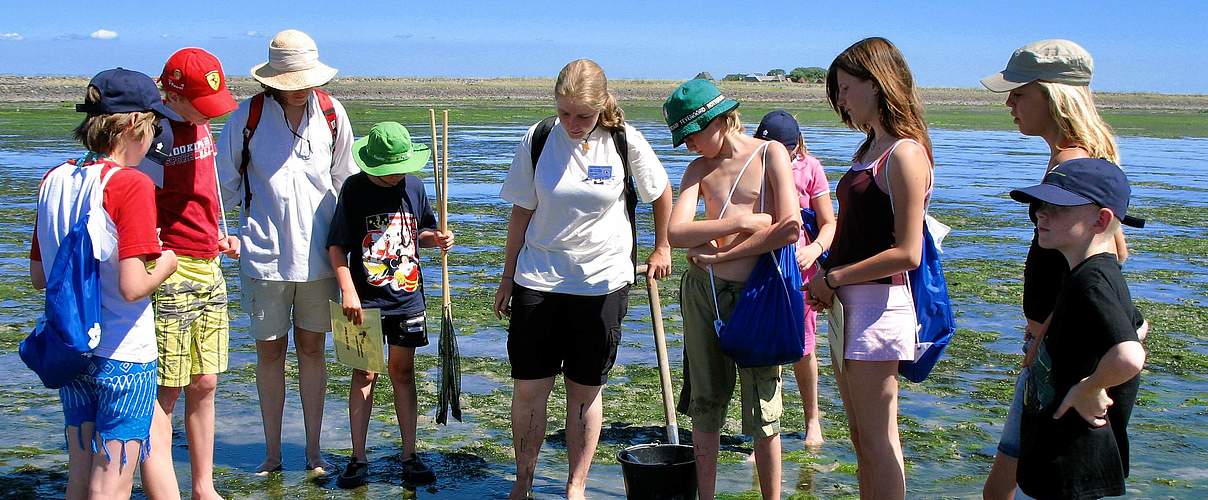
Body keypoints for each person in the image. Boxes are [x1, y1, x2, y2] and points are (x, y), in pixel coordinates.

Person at [494, 59, 672, 500]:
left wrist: (662, 246)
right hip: (538, 279)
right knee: (529, 388)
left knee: (584, 391)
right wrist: (507, 277)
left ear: (602, 107)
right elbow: (521, 211)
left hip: (602, 283)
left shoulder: (624, 141)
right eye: (565, 113)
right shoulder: (538, 140)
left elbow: (660, 192)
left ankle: (577, 485)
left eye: (583, 116)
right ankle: (524, 481)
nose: (573, 124)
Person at [979, 39, 1148, 499]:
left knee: (1019, 475)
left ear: (1055, 97)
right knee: (1014, 469)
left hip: (1058, 356)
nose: (1010, 103)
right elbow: (1118, 251)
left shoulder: (1072, 163)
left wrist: (1043, 336)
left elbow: (1106, 259)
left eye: (1020, 93)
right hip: (1059, 348)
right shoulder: (1089, 156)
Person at [29, 68, 180, 499]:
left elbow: (39, 277)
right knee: (112, 482)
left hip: (73, 350)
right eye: (153, 128)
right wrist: (168, 261)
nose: (154, 140)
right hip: (125, 355)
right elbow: (134, 286)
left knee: (79, 476)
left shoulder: (53, 178)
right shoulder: (131, 184)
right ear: (134, 124)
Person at [216, 29, 357, 475]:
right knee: (270, 353)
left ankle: (314, 453)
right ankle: (272, 454)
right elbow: (223, 187)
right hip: (262, 256)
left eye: (306, 80)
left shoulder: (333, 114)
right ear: (271, 79)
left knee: (313, 351)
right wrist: (227, 234)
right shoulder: (247, 117)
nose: (299, 89)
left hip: (321, 260)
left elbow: (345, 185)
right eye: (290, 80)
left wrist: (352, 255)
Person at [805, 37, 935, 500]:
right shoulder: (869, 150)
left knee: (879, 440)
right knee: (861, 438)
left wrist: (835, 277)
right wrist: (826, 275)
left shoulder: (903, 153)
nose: (840, 100)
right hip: (849, 305)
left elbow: (908, 252)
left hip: (879, 306)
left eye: (844, 88)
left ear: (876, 84)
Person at [664, 79, 801, 499]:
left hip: (760, 296)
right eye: (683, 138)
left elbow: (790, 227)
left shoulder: (769, 153)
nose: (689, 145)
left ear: (722, 120)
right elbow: (675, 231)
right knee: (706, 401)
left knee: (764, 407)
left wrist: (719, 254)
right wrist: (739, 223)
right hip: (704, 293)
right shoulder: (697, 170)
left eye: (693, 134)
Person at [1007, 158, 1146, 499]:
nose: (1041, 214)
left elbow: (1129, 355)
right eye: (1040, 205)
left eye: (1058, 208)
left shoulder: (1092, 282)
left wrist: (1090, 387)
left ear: (1102, 220)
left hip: (1072, 458)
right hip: (1061, 455)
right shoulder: (1088, 272)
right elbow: (1138, 326)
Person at [135, 47, 239, 500]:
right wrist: (156, 259)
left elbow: (207, 189)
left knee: (206, 380)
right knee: (167, 388)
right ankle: (165, 490)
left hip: (210, 265)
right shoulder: (153, 134)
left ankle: (205, 487)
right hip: (171, 268)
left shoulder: (202, 124)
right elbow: (137, 203)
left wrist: (222, 232)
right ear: (173, 94)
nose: (207, 113)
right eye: (200, 102)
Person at [327, 122, 454, 488]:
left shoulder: (414, 185)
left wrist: (438, 239)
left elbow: (423, 232)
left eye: (402, 167)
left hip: (407, 299)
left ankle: (409, 454)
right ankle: (358, 458)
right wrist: (347, 291)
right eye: (390, 171)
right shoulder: (354, 189)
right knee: (364, 374)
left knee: (403, 372)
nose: (397, 176)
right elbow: (337, 246)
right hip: (362, 302)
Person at [754, 109, 835, 447]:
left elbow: (829, 223)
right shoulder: (751, 165)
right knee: (765, 348)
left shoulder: (810, 168)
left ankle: (812, 420)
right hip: (760, 266)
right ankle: (765, 431)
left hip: (800, 269)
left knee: (803, 348)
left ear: (796, 147)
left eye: (785, 151)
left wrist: (815, 250)